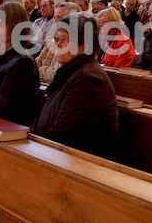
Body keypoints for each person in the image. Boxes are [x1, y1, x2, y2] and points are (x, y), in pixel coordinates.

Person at [33, 12, 118, 159]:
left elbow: (61, 137)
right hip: (54, 155)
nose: (58, 45)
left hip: (80, 166)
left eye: (64, 40)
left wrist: (32, 148)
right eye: (57, 39)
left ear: (85, 46)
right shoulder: (71, 71)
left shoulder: (88, 81)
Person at [36, 2, 81, 83]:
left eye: (59, 18)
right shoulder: (52, 41)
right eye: (54, 17)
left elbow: (62, 75)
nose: (55, 22)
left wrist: (41, 70)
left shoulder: (76, 45)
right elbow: (37, 63)